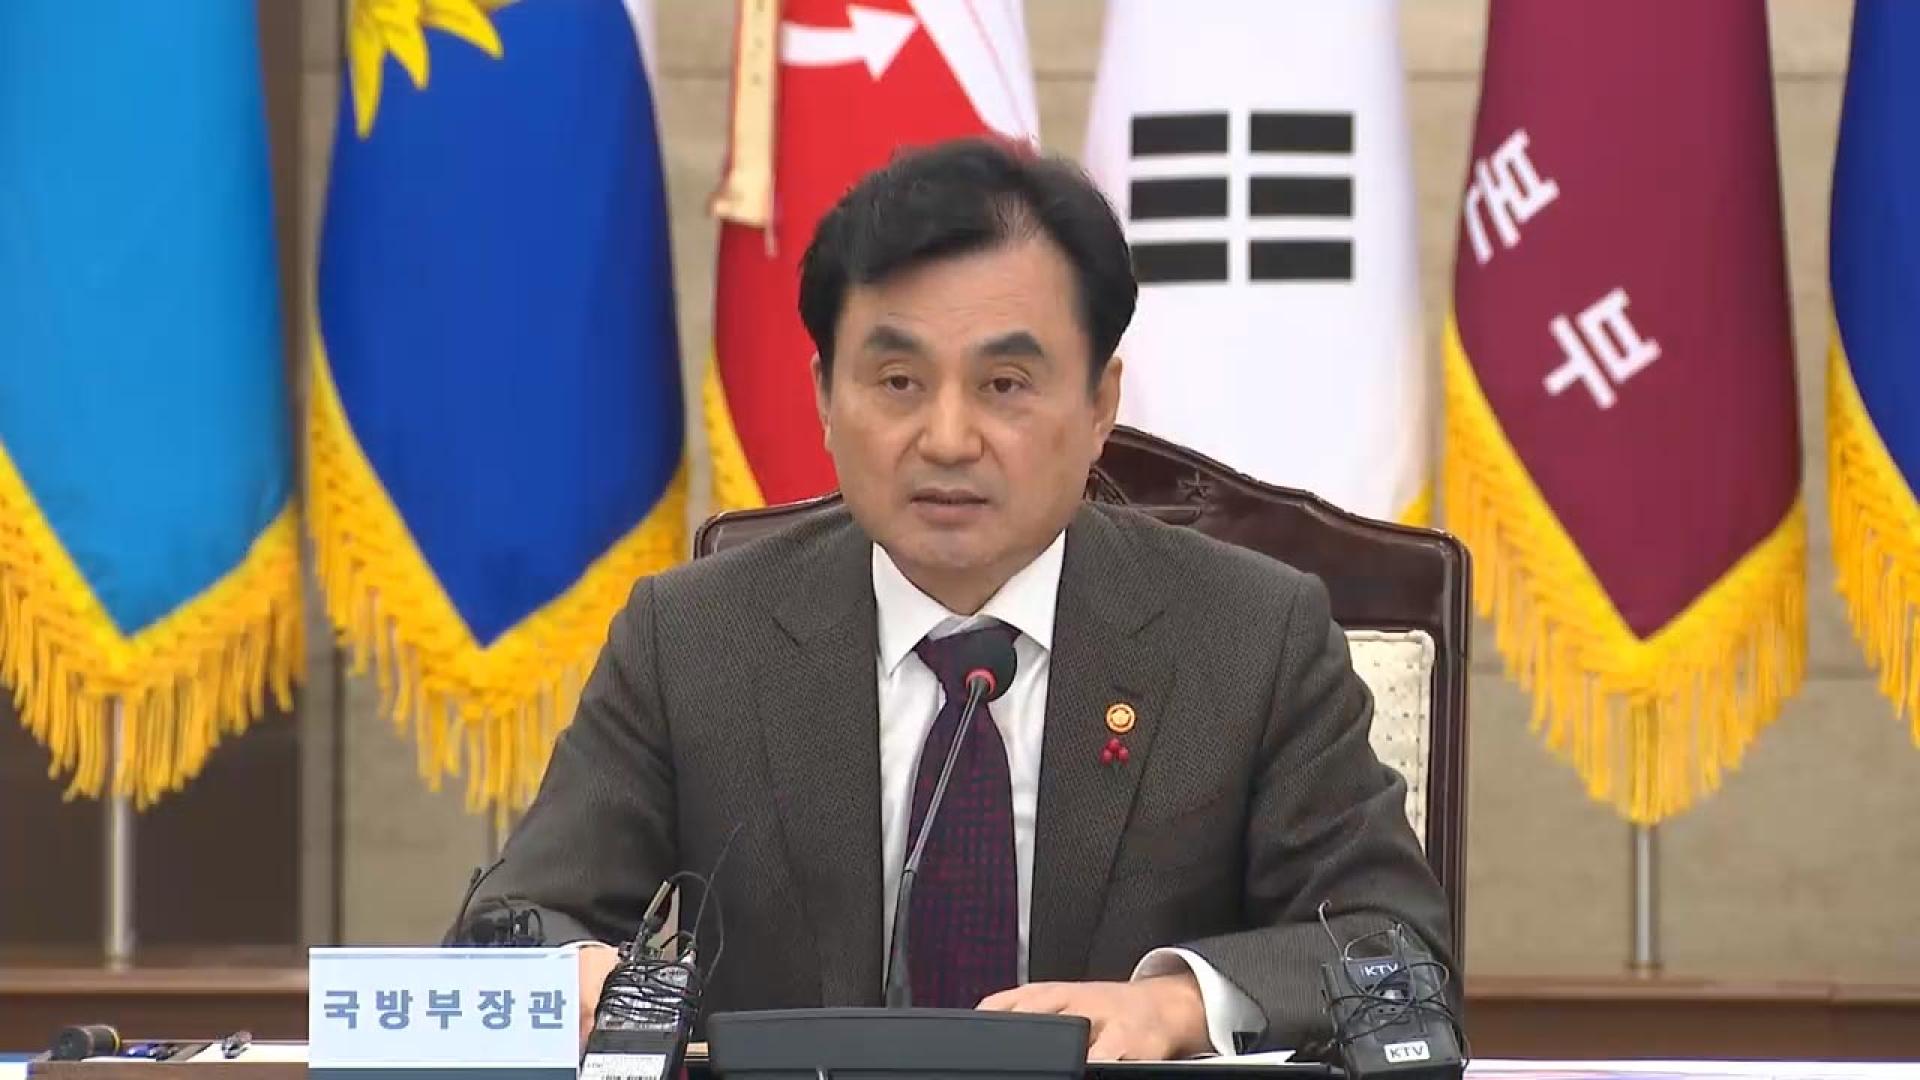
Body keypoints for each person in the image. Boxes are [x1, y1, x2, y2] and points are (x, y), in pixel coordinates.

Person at [462, 136, 1454, 1059]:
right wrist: (574, 976)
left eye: (1005, 385)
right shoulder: (693, 640)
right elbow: (511, 929)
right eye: (897, 381)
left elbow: (1393, 946)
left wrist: (1173, 1006)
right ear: (825, 397)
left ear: (1100, 404)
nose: (946, 439)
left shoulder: (1250, 636)